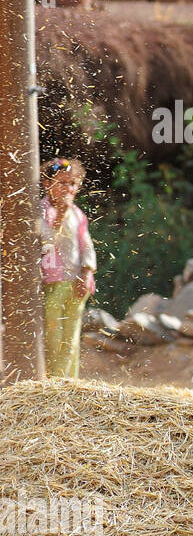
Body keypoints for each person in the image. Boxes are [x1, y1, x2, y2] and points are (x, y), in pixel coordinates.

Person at [39, 157, 97, 378]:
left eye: (72, 184)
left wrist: (86, 272)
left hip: (76, 284)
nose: (68, 188)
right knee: (53, 336)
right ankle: (54, 380)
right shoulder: (41, 212)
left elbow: (87, 246)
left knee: (71, 337)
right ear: (47, 184)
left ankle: (69, 382)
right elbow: (45, 244)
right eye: (62, 182)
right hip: (52, 284)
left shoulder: (77, 214)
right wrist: (59, 216)